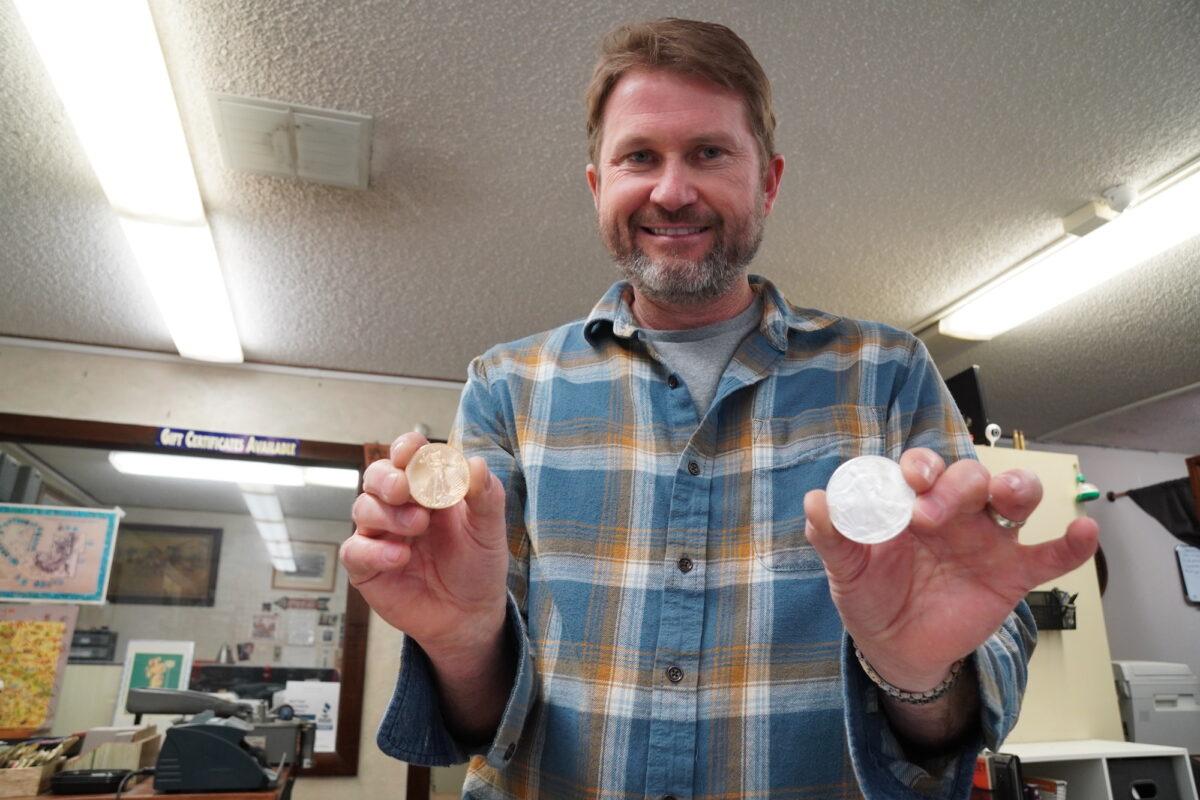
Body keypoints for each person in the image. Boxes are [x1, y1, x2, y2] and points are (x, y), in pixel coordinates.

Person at [341, 18, 1099, 800]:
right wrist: (464, 643)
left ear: (767, 182)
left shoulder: (889, 374)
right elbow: (481, 720)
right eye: (640, 156)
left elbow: (964, 681)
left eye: (708, 153)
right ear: (598, 185)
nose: (672, 191)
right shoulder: (505, 386)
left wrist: (919, 673)